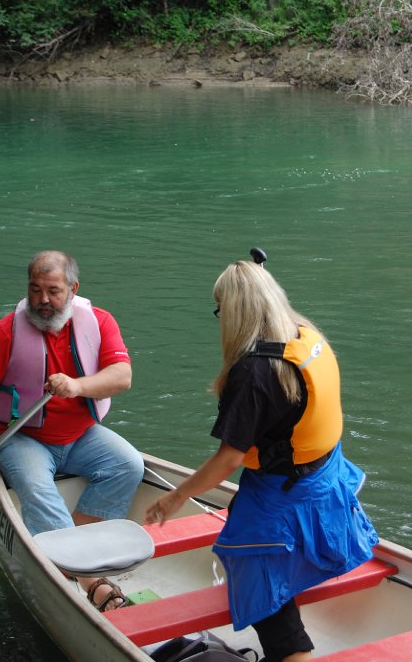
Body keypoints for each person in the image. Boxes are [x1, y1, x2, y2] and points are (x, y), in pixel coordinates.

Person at [145, 257, 378, 662]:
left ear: (235, 313)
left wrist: (175, 497)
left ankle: (292, 652)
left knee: (262, 594)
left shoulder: (255, 373)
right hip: (324, 476)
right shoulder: (306, 336)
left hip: (287, 496)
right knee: (242, 517)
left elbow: (229, 459)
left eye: (220, 309)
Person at [0, 250, 145, 611]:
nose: (43, 300)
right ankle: (92, 582)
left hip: (80, 436)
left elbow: (122, 377)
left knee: (128, 465)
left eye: (53, 291)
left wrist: (77, 386)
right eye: (35, 290)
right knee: (37, 489)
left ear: (73, 289)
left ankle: (69, 542)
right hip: (21, 436)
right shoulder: (5, 333)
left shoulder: (99, 322)